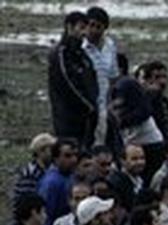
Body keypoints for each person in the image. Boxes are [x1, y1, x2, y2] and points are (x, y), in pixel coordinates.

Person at [48, 12, 97, 145]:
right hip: (67, 117)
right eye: (81, 28)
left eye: (86, 28)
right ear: (69, 27)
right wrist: (88, 106)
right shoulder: (60, 54)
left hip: (87, 118)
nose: (85, 33)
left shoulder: (82, 54)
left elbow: (92, 80)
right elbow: (67, 84)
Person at [82, 6, 119, 149]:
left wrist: (112, 103)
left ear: (104, 28)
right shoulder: (81, 47)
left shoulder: (110, 45)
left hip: (104, 104)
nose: (94, 30)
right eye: (91, 25)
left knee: (100, 143)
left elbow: (114, 76)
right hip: (86, 104)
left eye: (98, 27)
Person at [36, 139, 79, 225]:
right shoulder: (51, 183)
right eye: (68, 156)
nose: (73, 159)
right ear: (56, 158)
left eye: (75, 155)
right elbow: (46, 217)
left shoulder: (71, 176)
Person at [11, 134, 57, 202]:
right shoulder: (30, 172)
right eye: (51, 150)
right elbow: (26, 199)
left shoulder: (51, 169)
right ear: (41, 151)